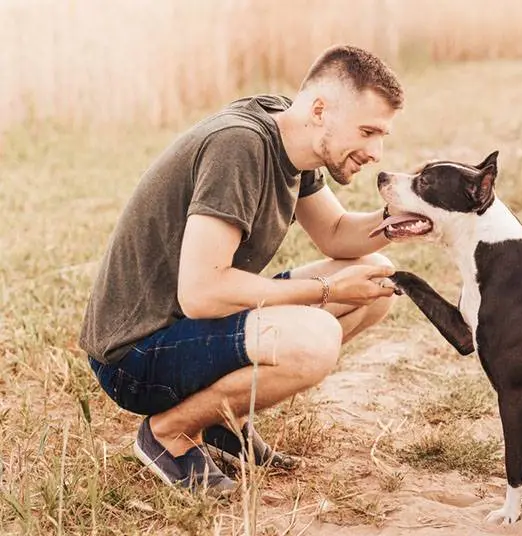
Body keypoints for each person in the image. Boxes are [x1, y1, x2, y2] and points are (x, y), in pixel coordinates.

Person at [79, 44, 404, 495]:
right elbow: (201, 291)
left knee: (375, 273)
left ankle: (219, 419)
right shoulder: (240, 146)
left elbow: (335, 233)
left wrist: (402, 217)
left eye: (382, 135)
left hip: (192, 326)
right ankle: (169, 434)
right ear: (320, 110)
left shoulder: (289, 130)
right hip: (134, 353)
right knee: (314, 340)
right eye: (367, 131)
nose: (376, 151)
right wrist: (325, 289)